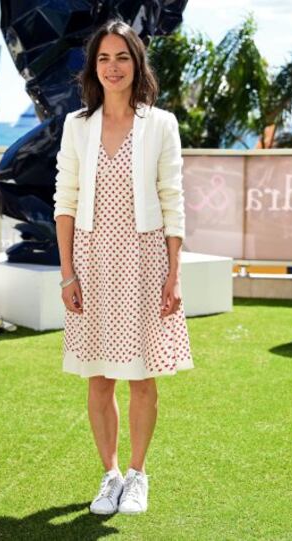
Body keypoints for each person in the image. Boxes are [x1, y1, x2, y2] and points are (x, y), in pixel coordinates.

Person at [53, 18, 194, 516]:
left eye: (123, 57)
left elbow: (172, 199)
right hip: (91, 263)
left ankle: (137, 474)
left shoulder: (161, 124)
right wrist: (67, 272)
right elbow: (64, 201)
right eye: (104, 58)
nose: (113, 67)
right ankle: (109, 474)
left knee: (142, 377)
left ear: (137, 64)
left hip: (145, 260)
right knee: (98, 377)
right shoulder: (77, 125)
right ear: (94, 67)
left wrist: (174, 273)